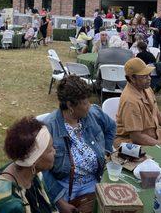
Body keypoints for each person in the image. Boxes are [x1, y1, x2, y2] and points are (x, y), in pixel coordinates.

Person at [43, 75, 116, 212]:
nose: (89, 106)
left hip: (95, 179)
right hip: (63, 186)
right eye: (85, 102)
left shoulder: (92, 114)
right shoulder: (49, 127)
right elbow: (43, 171)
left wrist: (106, 151)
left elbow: (111, 127)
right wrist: (59, 201)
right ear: (70, 105)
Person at [0, 116, 56, 213]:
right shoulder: (10, 205)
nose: (55, 152)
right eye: (50, 149)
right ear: (34, 161)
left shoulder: (31, 172)